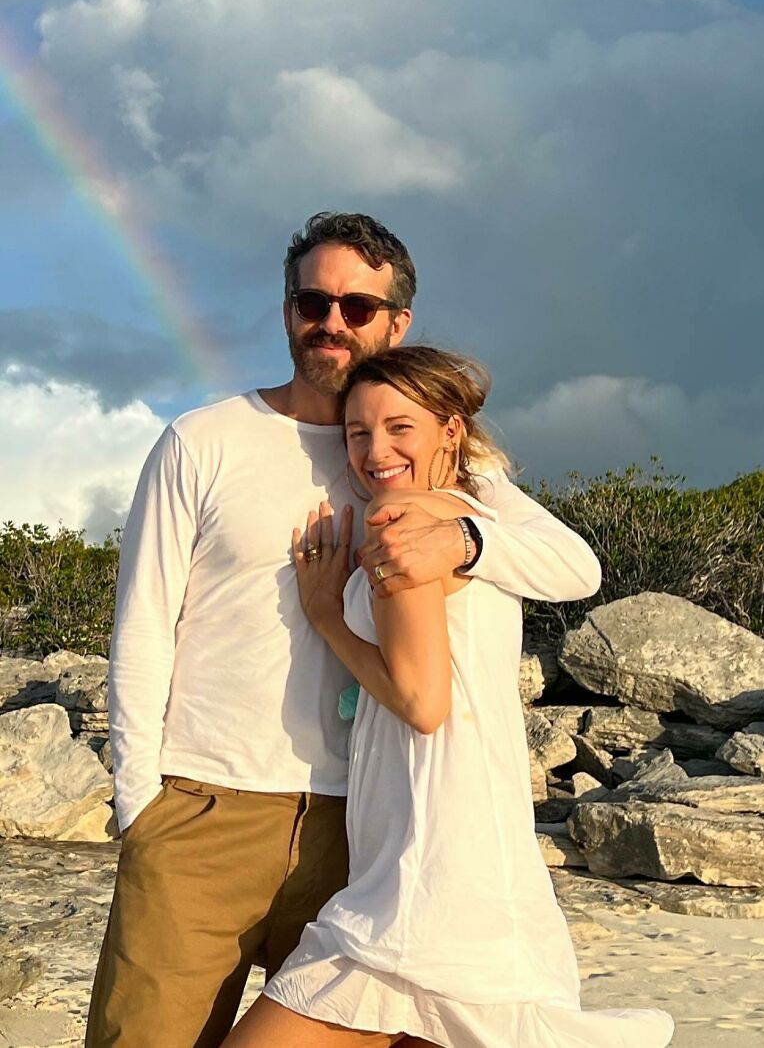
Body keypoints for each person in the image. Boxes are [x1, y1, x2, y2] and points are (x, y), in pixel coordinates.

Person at [86, 213, 605, 1048]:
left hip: (359, 831)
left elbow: (574, 566)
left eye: (357, 307)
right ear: (288, 311)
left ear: (397, 322)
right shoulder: (203, 441)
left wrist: (465, 540)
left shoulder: (437, 462)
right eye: (312, 302)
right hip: (204, 811)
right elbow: (142, 626)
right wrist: (140, 804)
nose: (332, 322)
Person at [221, 345, 675, 1048]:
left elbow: (421, 701)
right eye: (358, 432)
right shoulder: (473, 514)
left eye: (400, 428)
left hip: (428, 864)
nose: (376, 451)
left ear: (451, 431)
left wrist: (326, 617)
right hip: (459, 843)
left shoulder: (403, 519)